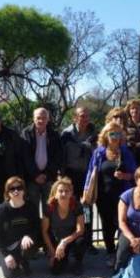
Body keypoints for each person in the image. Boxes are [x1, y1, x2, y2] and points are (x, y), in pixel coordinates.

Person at [83, 122, 136, 267]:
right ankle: (111, 253)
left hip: (123, 196)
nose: (115, 137)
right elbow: (90, 173)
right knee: (107, 226)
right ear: (106, 135)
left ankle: (122, 252)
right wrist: (86, 191)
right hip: (103, 196)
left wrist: (125, 176)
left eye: (118, 134)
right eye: (112, 133)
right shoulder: (99, 152)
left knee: (122, 224)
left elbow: (135, 174)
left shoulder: (126, 152)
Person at [61, 105, 97, 254]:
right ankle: (72, 241)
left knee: (87, 208)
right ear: (75, 118)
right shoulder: (66, 134)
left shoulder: (93, 133)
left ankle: (88, 241)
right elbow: (61, 156)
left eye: (87, 116)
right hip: (71, 175)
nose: (85, 119)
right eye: (82, 116)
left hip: (87, 176)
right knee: (71, 208)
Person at [0, 176, 40, 278]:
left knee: (30, 245)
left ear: (24, 190)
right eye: (12, 189)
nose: (16, 191)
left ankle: (24, 261)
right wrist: (6, 255)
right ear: (7, 192)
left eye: (19, 188)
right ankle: (15, 262)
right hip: (7, 247)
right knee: (12, 276)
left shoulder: (31, 207)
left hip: (23, 245)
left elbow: (36, 227)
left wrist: (28, 235)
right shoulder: (1, 210)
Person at [21, 107, 62, 214]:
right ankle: (34, 231)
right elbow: (25, 157)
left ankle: (46, 231)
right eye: (38, 118)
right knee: (32, 210)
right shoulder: (26, 133)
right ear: (33, 119)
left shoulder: (54, 135)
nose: (41, 121)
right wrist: (36, 175)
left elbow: (57, 157)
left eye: (44, 118)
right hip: (31, 179)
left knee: (49, 211)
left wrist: (46, 175)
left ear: (48, 119)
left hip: (48, 179)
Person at [42, 177, 85, 275]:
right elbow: (44, 231)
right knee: (55, 271)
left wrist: (64, 241)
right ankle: (59, 258)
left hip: (71, 240)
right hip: (55, 242)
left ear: (71, 193)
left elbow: (80, 230)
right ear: (55, 194)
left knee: (81, 241)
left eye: (67, 191)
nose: (64, 194)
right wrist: (52, 252)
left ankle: (77, 262)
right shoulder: (49, 207)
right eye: (60, 191)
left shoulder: (77, 206)